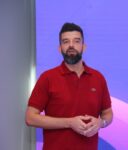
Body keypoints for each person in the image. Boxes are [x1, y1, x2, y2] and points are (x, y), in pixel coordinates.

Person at [25, 22, 113, 150]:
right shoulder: (47, 78)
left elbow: (108, 113)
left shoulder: (98, 78)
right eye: (66, 41)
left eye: (76, 41)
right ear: (60, 48)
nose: (71, 45)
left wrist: (101, 122)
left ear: (84, 47)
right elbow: (30, 118)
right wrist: (69, 122)